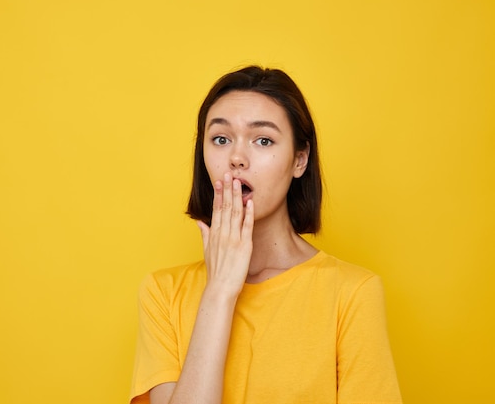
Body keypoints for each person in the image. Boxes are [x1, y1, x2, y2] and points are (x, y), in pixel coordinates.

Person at [130, 66, 402, 404]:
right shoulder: (163, 293)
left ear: (299, 160)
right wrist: (219, 293)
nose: (237, 159)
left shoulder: (353, 294)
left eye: (263, 140)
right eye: (221, 139)